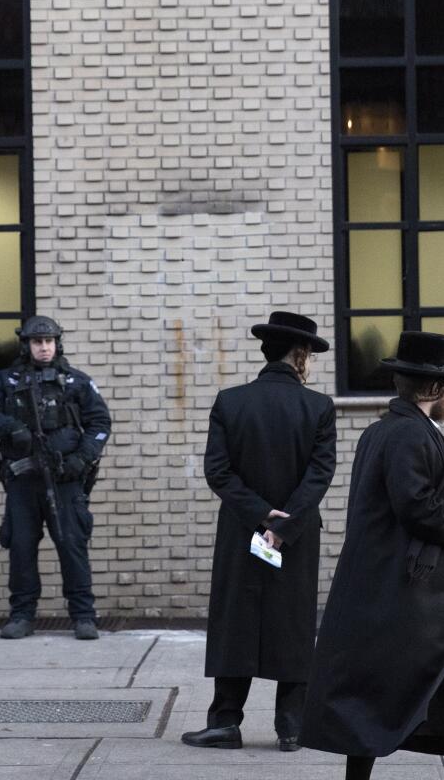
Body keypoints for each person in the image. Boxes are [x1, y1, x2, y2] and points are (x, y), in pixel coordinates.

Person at [300, 331, 444, 780]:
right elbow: (416, 507)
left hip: (398, 597)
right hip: (418, 605)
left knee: (427, 709)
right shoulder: (410, 434)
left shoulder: (386, 429)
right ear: (434, 388)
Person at [181, 312, 336, 752]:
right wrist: (284, 524)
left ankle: (226, 722)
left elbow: (218, 472)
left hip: (240, 529)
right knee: (294, 620)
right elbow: (320, 473)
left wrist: (260, 516)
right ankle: (291, 726)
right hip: (298, 533)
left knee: (236, 619)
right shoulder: (319, 406)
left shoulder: (230, 401)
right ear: (301, 354)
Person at [0, 315, 112, 640]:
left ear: (57, 342)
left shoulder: (75, 381)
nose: (44, 347)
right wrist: (13, 429)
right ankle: (22, 615)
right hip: (23, 482)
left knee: (72, 546)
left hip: (65, 480)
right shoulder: (6, 381)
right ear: (27, 345)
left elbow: (100, 423)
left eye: (49, 341)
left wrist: (81, 459)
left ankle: (83, 616)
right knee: (21, 547)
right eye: (38, 342)